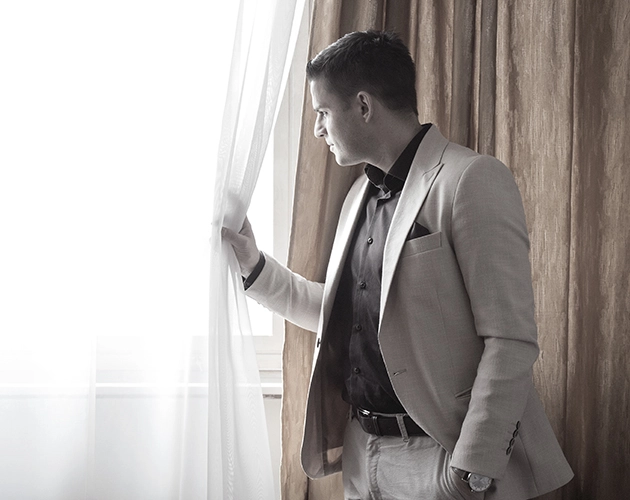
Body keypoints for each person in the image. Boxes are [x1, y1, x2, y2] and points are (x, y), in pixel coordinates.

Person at [222, 30, 573, 499]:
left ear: (363, 106)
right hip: (361, 455)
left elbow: (510, 338)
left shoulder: (471, 179)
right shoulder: (357, 196)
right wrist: (255, 266)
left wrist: (472, 468)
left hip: (439, 457)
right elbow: (350, 316)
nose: (317, 129)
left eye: (322, 112)